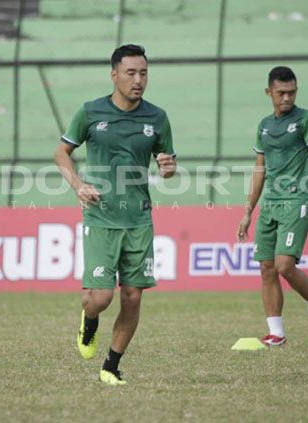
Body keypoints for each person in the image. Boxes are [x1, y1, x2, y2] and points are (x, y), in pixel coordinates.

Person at [54, 44, 176, 385]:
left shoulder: (157, 117)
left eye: (144, 73)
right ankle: (89, 321)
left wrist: (168, 168)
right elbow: (61, 153)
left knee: (133, 296)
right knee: (99, 298)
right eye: (131, 73)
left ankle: (111, 365)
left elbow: (167, 165)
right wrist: (77, 183)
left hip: (138, 219)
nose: (138, 80)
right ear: (114, 75)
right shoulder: (91, 112)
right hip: (101, 217)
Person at [237, 66, 308, 346]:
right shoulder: (264, 125)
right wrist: (248, 212)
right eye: (281, 93)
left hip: (296, 201)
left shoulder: (306, 120)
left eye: (292, 92)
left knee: (284, 264)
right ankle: (276, 333)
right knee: (267, 268)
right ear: (269, 92)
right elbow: (260, 170)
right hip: (270, 203)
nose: (287, 98)